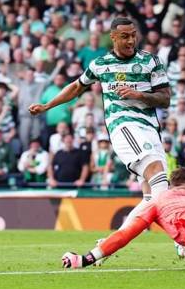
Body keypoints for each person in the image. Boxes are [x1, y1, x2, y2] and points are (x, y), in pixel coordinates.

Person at [30, 17, 172, 224]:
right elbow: (77, 87)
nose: (131, 41)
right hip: (122, 125)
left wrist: (140, 95)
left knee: (152, 195)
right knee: (157, 171)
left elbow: (165, 99)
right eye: (125, 36)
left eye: (133, 35)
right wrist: (47, 106)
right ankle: (184, 241)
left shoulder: (150, 61)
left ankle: (105, 247)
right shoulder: (101, 64)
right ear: (113, 37)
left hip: (149, 127)